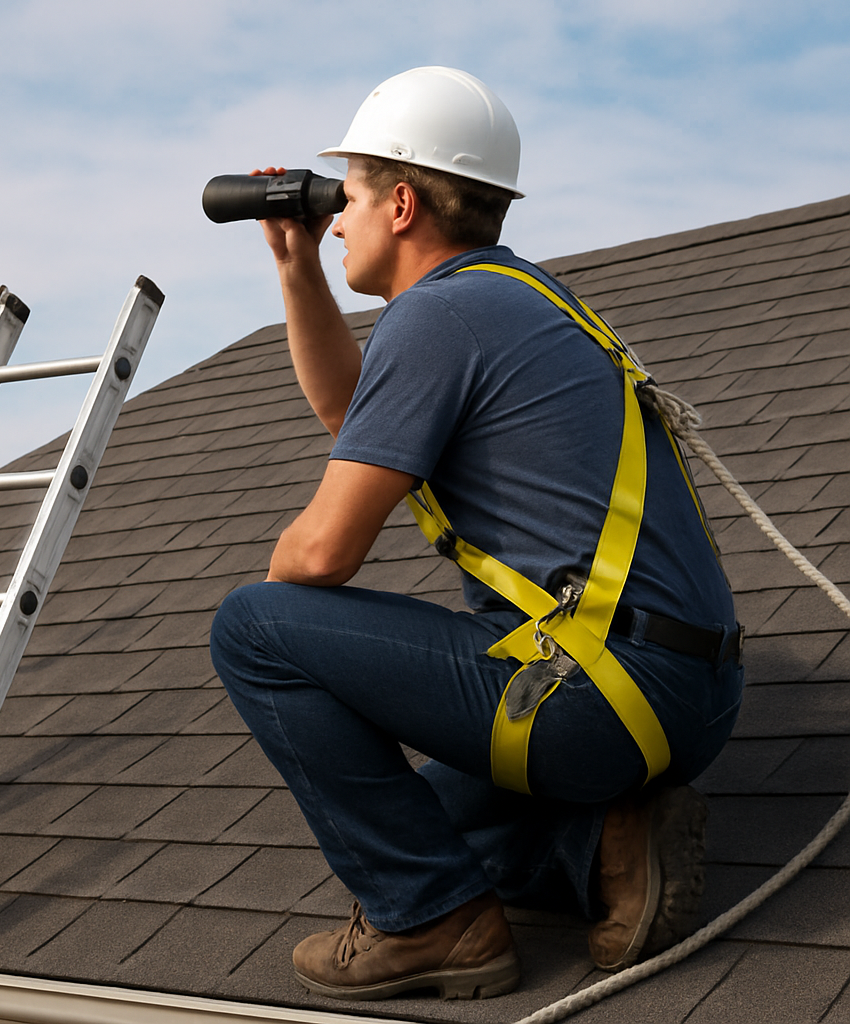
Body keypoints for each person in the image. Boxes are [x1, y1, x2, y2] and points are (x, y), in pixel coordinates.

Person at [209, 66, 744, 1002]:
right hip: (691, 698)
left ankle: (433, 923)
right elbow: (355, 418)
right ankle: (608, 838)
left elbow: (324, 554)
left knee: (252, 628)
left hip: (600, 690)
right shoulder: (507, 298)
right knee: (425, 826)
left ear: (404, 203)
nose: (335, 219)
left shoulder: (439, 316)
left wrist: (277, 605)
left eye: (352, 198)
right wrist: (298, 270)